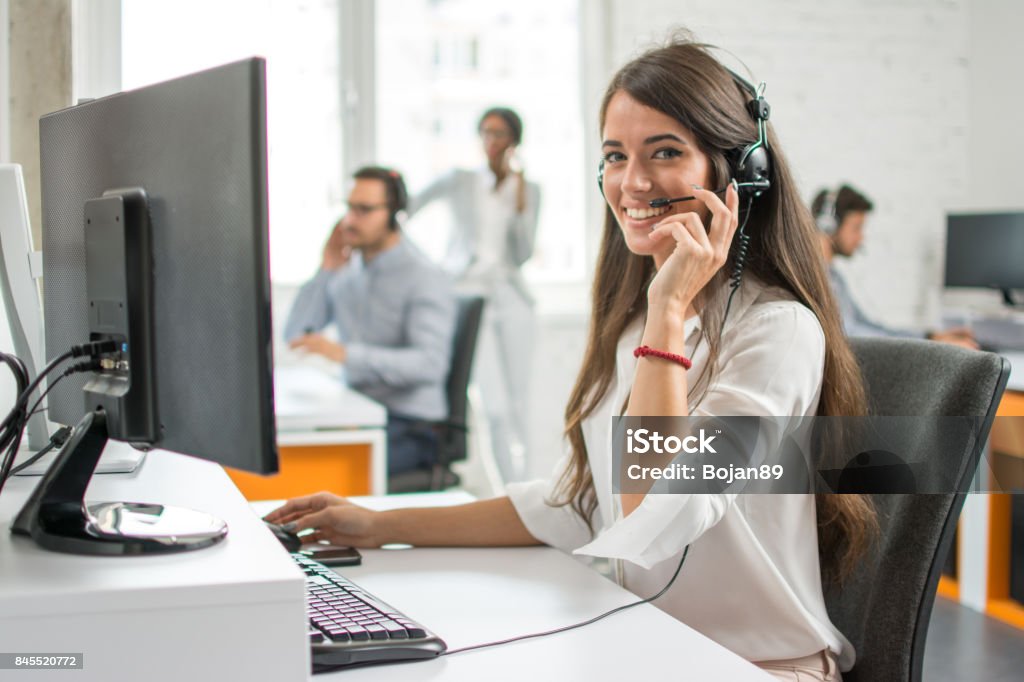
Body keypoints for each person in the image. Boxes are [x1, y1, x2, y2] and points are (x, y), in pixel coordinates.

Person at [269, 36, 877, 680]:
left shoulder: (777, 333)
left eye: (665, 152)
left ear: (738, 176)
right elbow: (579, 503)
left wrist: (669, 307)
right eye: (616, 156)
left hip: (758, 665)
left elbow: (652, 518)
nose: (632, 183)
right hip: (649, 648)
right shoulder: (638, 324)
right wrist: (380, 524)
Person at [284, 166, 457, 478]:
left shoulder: (423, 276)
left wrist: (347, 354)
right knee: (289, 454)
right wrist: (326, 269)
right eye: (349, 208)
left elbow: (430, 364)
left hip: (411, 425)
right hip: (358, 413)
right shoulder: (348, 271)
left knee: (317, 473)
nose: (350, 220)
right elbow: (296, 335)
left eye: (364, 210)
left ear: (394, 214)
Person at [406, 107, 541, 482]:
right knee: (493, 406)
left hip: (511, 297)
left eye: (498, 134)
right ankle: (505, 493)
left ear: (513, 140)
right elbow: (406, 209)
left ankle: (527, 487)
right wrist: (434, 269)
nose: (490, 141)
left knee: (518, 404)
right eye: (484, 132)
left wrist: (520, 208)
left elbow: (523, 253)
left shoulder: (528, 190)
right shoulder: (459, 181)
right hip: (467, 295)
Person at [812, 184, 978, 349]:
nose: (861, 238)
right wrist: (933, 346)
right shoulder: (816, 279)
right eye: (856, 228)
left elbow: (869, 327)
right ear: (828, 225)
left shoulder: (835, 278)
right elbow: (851, 334)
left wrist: (930, 337)